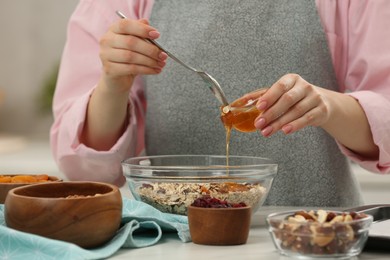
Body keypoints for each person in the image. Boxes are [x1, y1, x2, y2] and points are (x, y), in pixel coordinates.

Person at [51, 0, 390, 207]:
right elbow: (84, 170)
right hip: (174, 244)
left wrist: (327, 107)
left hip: (313, 235)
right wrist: (113, 83)